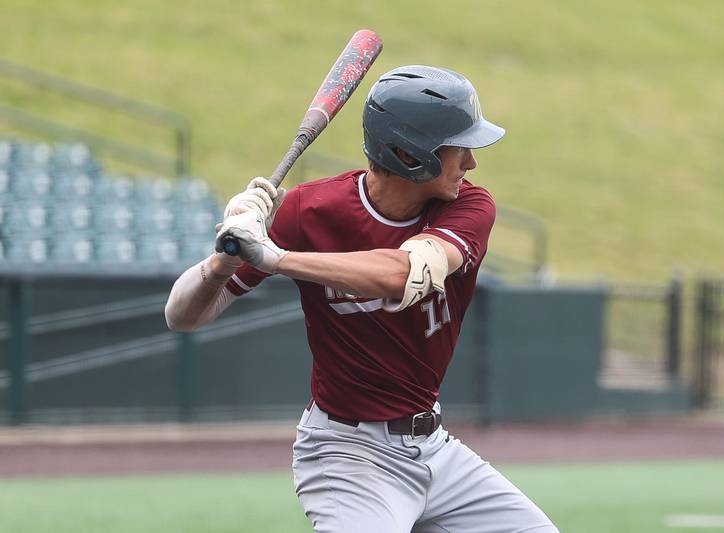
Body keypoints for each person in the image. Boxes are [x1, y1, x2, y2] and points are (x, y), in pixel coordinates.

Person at [165, 65, 558, 533]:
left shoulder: (470, 206)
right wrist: (223, 262)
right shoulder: (308, 212)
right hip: (348, 455)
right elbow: (183, 316)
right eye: (459, 148)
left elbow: (403, 272)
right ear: (412, 155)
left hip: (433, 447)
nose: (471, 162)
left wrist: (275, 257)